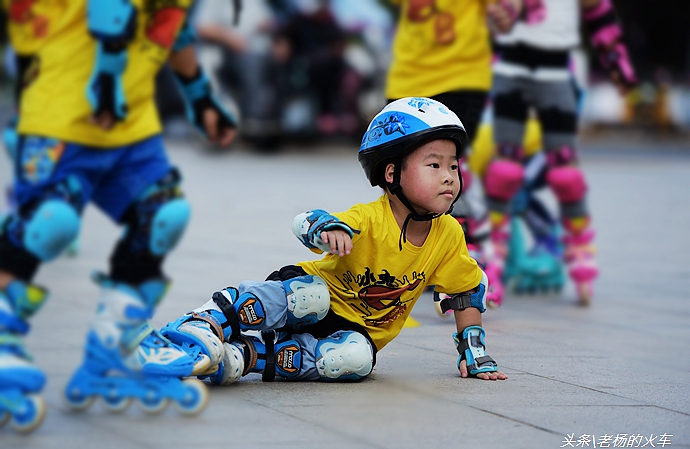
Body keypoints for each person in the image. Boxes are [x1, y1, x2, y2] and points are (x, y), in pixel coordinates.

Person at [0, 0, 237, 432]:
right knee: (50, 223)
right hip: (62, 116)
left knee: (165, 213)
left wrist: (200, 96)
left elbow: (172, 25)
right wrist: (106, 74)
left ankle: (118, 337)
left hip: (132, 126)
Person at [160, 97, 507, 386]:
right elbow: (307, 221)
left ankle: (243, 357)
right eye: (434, 165)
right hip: (310, 298)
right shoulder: (370, 218)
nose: (449, 176)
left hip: (353, 330)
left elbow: (465, 290)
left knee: (356, 360)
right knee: (310, 296)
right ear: (391, 174)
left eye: (453, 166)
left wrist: (474, 352)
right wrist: (328, 230)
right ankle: (207, 321)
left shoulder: (447, 235)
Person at [484, 0, 637, 305]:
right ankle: (493, 258)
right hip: (509, 71)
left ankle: (580, 248)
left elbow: (597, 11)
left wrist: (613, 54)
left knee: (565, 172)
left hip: (554, 75)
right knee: (504, 170)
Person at [384, 0, 523, 308]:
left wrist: (507, 11)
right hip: (408, 75)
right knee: (402, 173)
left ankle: (464, 260)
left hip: (460, 74)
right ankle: (414, 258)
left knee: (446, 166)